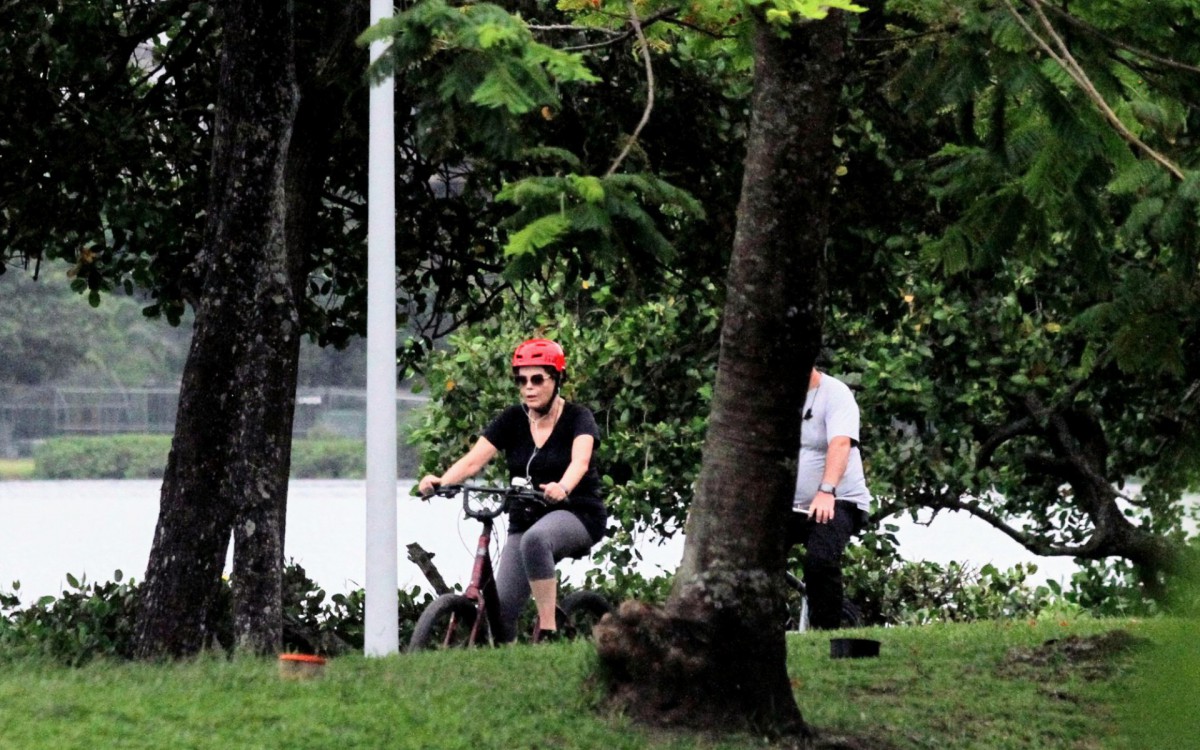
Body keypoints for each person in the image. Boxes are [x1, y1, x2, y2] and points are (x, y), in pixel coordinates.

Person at [418, 338, 606, 643]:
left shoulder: (577, 417)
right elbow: (472, 461)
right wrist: (442, 481)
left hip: (576, 512)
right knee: (501, 611)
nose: (528, 387)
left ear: (557, 380)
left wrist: (563, 486)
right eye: (521, 380)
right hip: (525, 517)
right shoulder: (512, 419)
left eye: (537, 379)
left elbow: (580, 461)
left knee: (536, 539)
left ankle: (549, 631)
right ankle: (506, 657)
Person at [787, 364, 871, 630]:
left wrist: (826, 491)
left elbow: (841, 444)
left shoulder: (835, 393)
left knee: (820, 560)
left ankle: (826, 632)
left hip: (838, 499)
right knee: (749, 554)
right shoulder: (779, 395)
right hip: (791, 505)